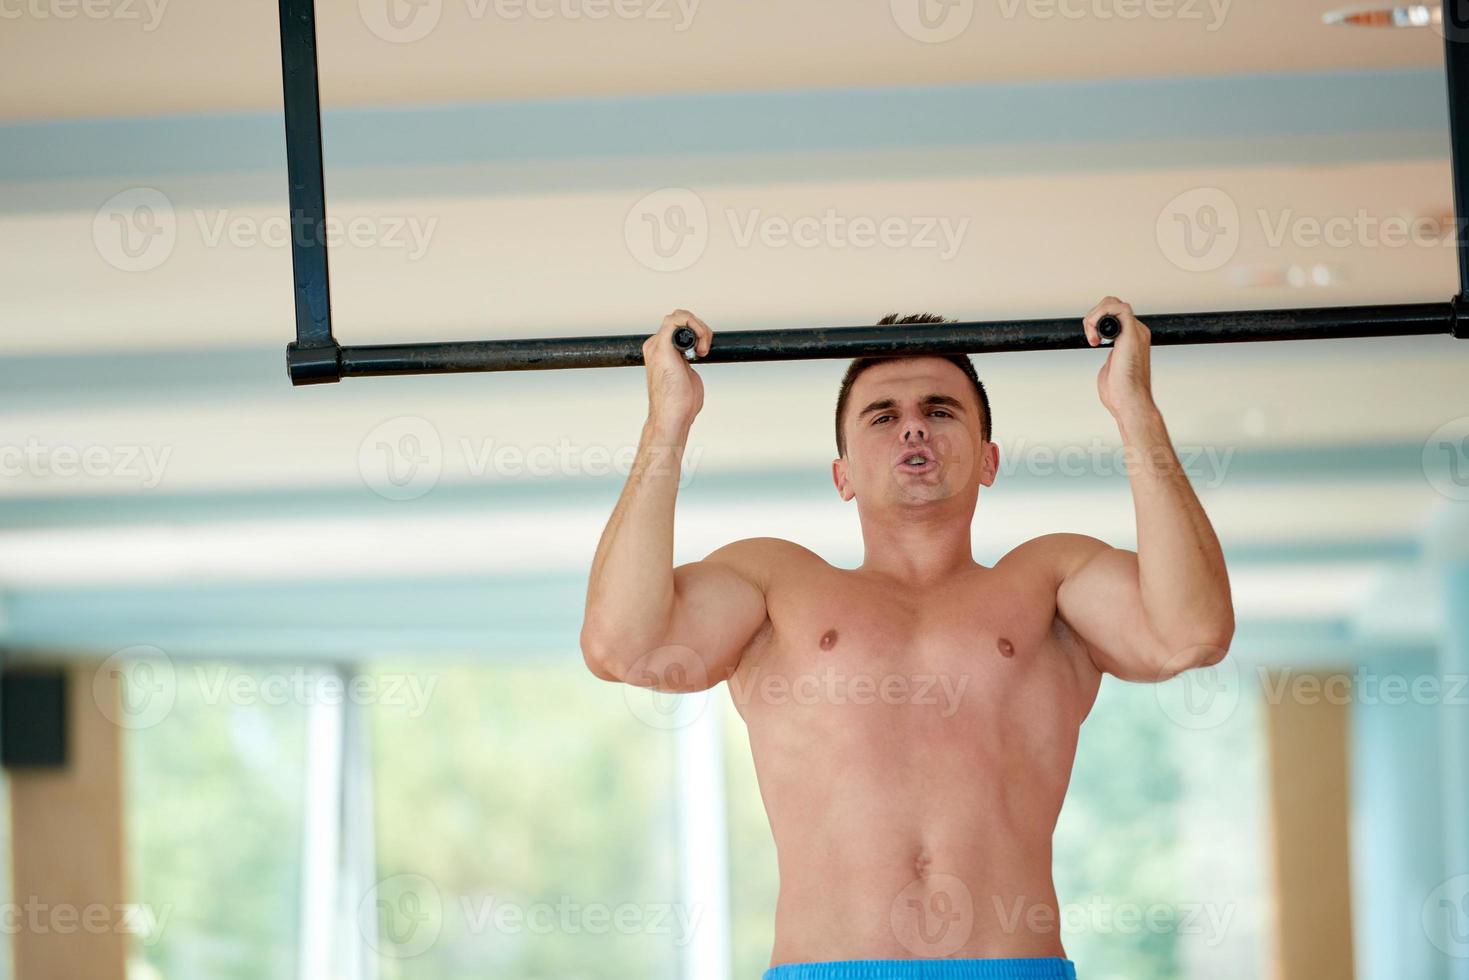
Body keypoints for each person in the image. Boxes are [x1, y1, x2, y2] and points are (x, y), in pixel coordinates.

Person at [579, 297, 1234, 980]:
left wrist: (1134, 408)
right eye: (883, 417)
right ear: (842, 474)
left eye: (939, 410)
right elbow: (622, 646)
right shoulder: (773, 583)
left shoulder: (1049, 581)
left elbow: (1189, 633)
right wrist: (667, 421)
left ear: (987, 459)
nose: (913, 428)